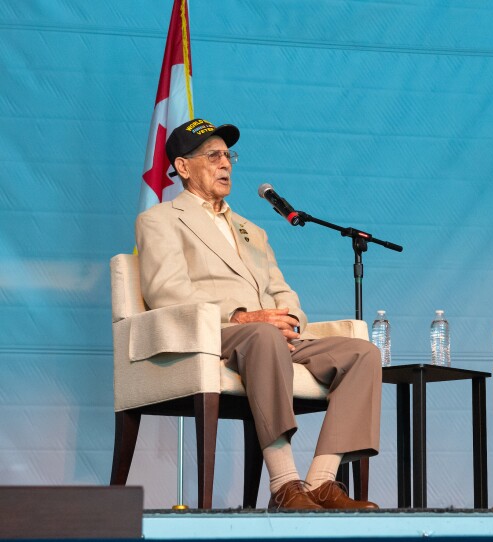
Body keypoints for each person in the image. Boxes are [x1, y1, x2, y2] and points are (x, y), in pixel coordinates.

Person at [135, 118, 382, 510]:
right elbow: (166, 291)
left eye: (228, 155)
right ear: (183, 167)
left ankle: (320, 482)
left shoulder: (251, 229)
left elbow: (282, 290)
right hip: (212, 332)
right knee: (263, 335)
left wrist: (289, 319)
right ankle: (284, 484)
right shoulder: (160, 220)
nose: (225, 164)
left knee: (362, 354)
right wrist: (243, 318)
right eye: (213, 156)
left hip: (267, 335)